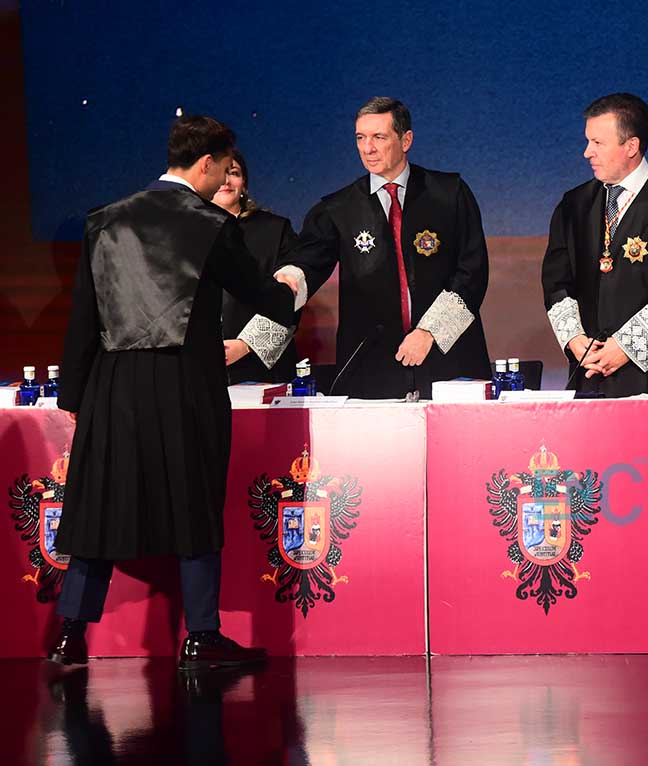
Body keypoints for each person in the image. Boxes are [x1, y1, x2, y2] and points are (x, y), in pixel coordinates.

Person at [50, 115, 300, 669]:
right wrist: (292, 287)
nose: (226, 178)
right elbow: (262, 295)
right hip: (186, 382)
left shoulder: (105, 220)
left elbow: (83, 316)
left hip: (112, 384)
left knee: (98, 505)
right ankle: (201, 636)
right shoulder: (210, 224)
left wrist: (73, 396)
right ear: (206, 163)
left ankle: (69, 635)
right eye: (224, 168)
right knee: (195, 502)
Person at [287, 97, 490, 398]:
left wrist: (429, 331)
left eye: (379, 137)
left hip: (447, 354)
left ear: (406, 140)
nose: (367, 148)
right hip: (373, 366)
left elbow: (472, 270)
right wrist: (291, 277)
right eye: (360, 138)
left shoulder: (450, 194)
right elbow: (309, 262)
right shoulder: (338, 209)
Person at [541, 93, 648, 396]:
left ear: (631, 146)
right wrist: (575, 340)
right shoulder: (573, 204)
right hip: (590, 374)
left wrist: (625, 348)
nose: (587, 152)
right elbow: (556, 281)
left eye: (598, 143)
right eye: (588, 141)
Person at [212, 149, 302, 383]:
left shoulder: (275, 230)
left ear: (244, 184)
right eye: (219, 173)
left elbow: (291, 300)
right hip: (199, 368)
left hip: (262, 370)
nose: (226, 181)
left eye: (233, 173)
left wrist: (246, 345)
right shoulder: (183, 231)